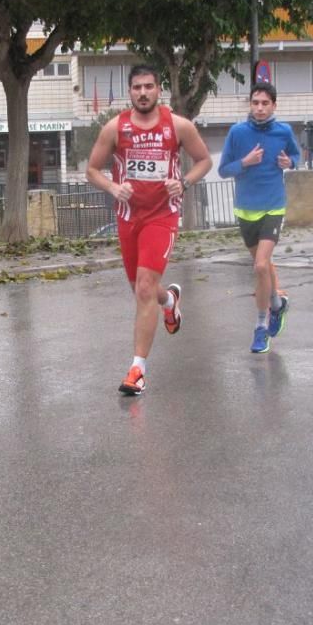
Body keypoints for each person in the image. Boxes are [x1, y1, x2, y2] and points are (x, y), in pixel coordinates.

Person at [86, 64, 212, 394]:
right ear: (130, 92)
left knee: (144, 287)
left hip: (162, 215)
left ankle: (137, 371)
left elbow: (204, 161)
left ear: (159, 90)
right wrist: (113, 188)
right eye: (137, 87)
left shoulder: (178, 126)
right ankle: (169, 301)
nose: (143, 92)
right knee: (142, 289)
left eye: (149, 86)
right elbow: (92, 170)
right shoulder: (115, 127)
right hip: (129, 217)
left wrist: (183, 183)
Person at [217, 82, 300, 353]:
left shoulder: (283, 131)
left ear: (274, 105)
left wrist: (291, 163)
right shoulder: (237, 132)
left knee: (261, 266)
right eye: (255, 103)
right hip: (245, 209)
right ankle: (277, 304)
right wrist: (245, 162)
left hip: (273, 206)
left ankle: (261, 327)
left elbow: (296, 155)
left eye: (265, 103)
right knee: (261, 265)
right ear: (250, 105)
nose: (260, 108)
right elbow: (223, 170)